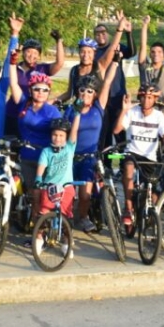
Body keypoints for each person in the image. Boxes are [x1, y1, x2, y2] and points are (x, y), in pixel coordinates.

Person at [114, 84, 164, 225]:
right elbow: (116, 130)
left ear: (155, 100)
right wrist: (124, 110)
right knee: (128, 169)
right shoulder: (132, 112)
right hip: (132, 153)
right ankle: (128, 207)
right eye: (143, 97)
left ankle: (149, 215)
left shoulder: (158, 116)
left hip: (150, 158)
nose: (146, 100)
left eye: (150, 98)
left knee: (153, 194)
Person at [66, 60, 118, 234]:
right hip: (71, 156)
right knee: (68, 192)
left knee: (84, 195)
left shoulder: (98, 107)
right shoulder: (70, 110)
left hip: (89, 157)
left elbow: (107, 82)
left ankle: (83, 217)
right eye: (82, 90)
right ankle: (65, 217)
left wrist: (116, 62)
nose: (85, 94)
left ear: (94, 94)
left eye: (89, 91)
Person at [10, 71, 62, 215]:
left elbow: (60, 135)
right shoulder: (24, 105)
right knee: (30, 193)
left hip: (44, 158)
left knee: (39, 194)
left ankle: (37, 227)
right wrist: (13, 61)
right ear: (31, 90)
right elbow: (13, 83)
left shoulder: (52, 112)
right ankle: (31, 222)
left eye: (45, 89)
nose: (40, 92)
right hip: (26, 156)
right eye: (37, 89)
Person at [94, 13, 136, 150]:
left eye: (103, 32)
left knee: (119, 131)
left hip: (118, 95)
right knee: (104, 132)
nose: (101, 35)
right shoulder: (93, 52)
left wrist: (128, 33)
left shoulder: (115, 46)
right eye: (97, 33)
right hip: (102, 98)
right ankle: (106, 165)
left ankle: (122, 164)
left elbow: (131, 52)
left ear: (108, 34)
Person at [34, 116, 81, 225]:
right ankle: (39, 238)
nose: (58, 138)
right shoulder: (46, 151)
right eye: (55, 135)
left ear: (66, 137)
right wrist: (38, 178)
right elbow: (41, 167)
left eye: (61, 135)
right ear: (51, 136)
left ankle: (66, 239)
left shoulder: (69, 148)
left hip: (66, 187)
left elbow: (74, 131)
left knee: (65, 217)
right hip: (49, 187)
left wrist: (77, 114)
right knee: (43, 215)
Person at [136, 16, 164, 95]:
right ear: (150, 54)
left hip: (161, 106)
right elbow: (143, 46)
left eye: (159, 52)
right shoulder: (144, 67)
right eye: (153, 52)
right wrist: (145, 26)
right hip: (146, 105)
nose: (156, 54)